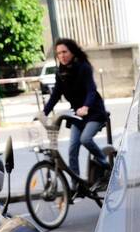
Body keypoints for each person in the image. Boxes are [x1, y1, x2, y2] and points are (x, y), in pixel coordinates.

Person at [42, 37, 109, 188]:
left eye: (65, 52)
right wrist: (44, 112)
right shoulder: (60, 73)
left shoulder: (83, 67)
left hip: (93, 112)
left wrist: (86, 107)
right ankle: (76, 185)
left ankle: (104, 164)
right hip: (76, 115)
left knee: (85, 139)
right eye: (59, 53)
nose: (62, 56)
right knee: (72, 148)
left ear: (72, 52)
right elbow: (56, 95)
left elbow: (91, 90)